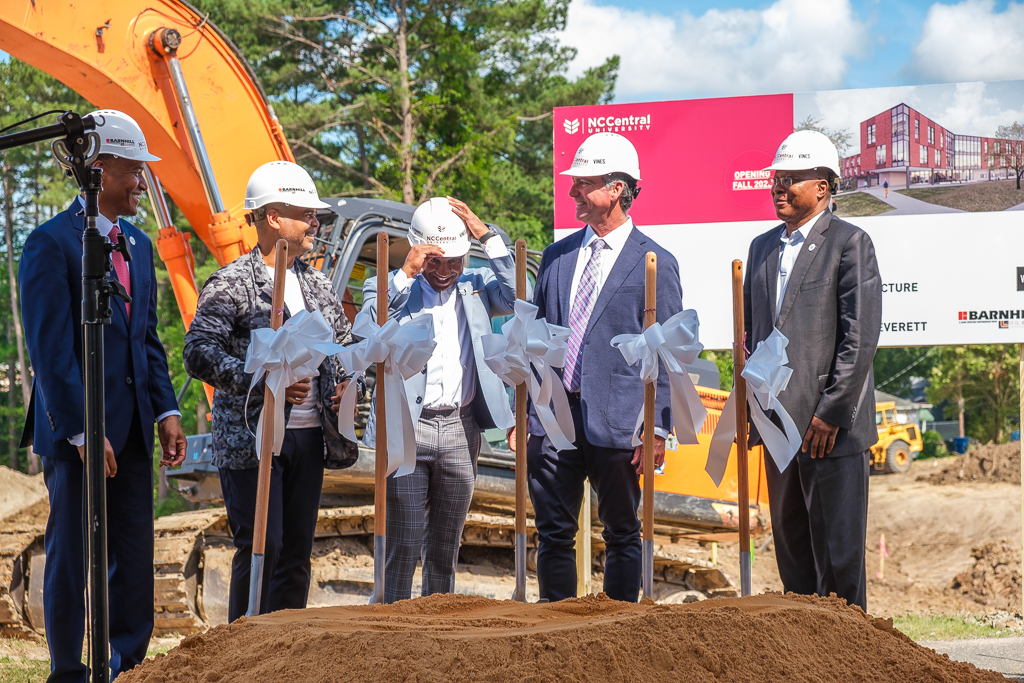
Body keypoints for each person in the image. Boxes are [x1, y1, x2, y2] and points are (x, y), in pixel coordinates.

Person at [19, 109, 187, 682]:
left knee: (134, 560)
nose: (142, 181)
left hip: (135, 432)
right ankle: (69, 673)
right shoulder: (48, 244)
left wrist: (166, 409)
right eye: (135, 170)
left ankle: (126, 666)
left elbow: (147, 338)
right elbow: (51, 352)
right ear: (100, 167)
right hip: (76, 437)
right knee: (72, 559)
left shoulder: (139, 246)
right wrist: (83, 429)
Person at [183, 161, 355, 622]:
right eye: (307, 214)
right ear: (273, 217)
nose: (315, 223)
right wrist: (260, 381)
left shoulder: (317, 285)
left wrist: (343, 387)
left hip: (307, 437)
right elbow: (198, 351)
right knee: (264, 545)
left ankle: (286, 655)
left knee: (296, 554)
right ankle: (243, 652)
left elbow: (343, 348)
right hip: (252, 439)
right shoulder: (232, 283)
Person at [518, 132, 682, 603]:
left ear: (617, 189)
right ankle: (557, 627)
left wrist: (657, 428)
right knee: (553, 533)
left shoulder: (655, 263)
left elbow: (667, 353)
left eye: (583, 184)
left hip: (620, 423)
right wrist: (526, 413)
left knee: (622, 534)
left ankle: (617, 633)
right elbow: (537, 340)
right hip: (554, 420)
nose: (572, 192)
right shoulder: (557, 257)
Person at [746, 129, 882, 611]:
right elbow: (754, 338)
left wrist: (831, 413)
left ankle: (852, 661)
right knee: (794, 556)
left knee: (838, 562)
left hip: (830, 431)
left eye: (792, 178)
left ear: (823, 186)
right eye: (776, 178)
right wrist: (754, 412)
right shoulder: (762, 247)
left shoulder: (849, 243)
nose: (779, 186)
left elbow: (859, 338)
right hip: (779, 428)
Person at [361, 197, 521, 603]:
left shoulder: (478, 284)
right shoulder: (389, 285)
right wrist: (405, 272)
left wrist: (488, 237)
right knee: (404, 541)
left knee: (445, 546)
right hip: (407, 429)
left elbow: (521, 295)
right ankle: (390, 627)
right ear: (418, 251)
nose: (446, 272)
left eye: (455, 261)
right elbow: (370, 324)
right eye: (436, 262)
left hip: (460, 428)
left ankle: (438, 629)